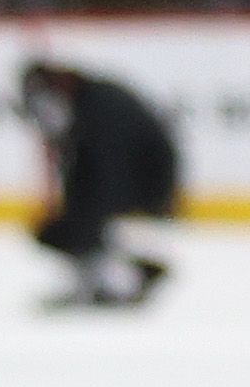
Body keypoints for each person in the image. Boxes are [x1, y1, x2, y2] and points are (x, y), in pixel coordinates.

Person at [19, 59, 183, 309]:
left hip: (139, 192)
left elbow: (108, 170)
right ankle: (116, 278)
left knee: (74, 233)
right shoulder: (90, 103)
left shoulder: (98, 110)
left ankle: (119, 280)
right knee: (68, 231)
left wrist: (86, 218)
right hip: (134, 189)